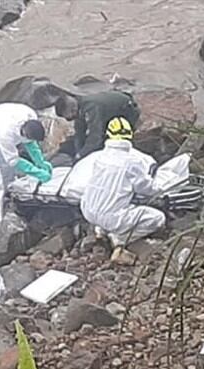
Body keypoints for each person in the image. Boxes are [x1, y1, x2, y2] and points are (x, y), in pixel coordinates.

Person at [80, 116, 165, 265]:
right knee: (158, 218)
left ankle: (100, 231)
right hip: (113, 218)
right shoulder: (132, 161)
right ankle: (119, 239)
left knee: (107, 203)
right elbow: (145, 188)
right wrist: (161, 189)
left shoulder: (100, 157)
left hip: (88, 211)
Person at [0, 102, 52, 223]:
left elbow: (31, 144)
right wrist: (36, 172)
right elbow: (13, 160)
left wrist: (40, 161)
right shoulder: (6, 133)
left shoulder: (31, 115)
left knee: (8, 173)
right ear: (24, 132)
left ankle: (10, 202)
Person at [55, 91, 141, 161]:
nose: (69, 120)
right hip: (109, 112)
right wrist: (79, 152)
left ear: (73, 110)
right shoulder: (79, 105)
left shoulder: (91, 108)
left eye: (68, 118)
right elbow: (79, 133)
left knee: (108, 140)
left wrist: (82, 155)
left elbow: (95, 136)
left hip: (128, 110)